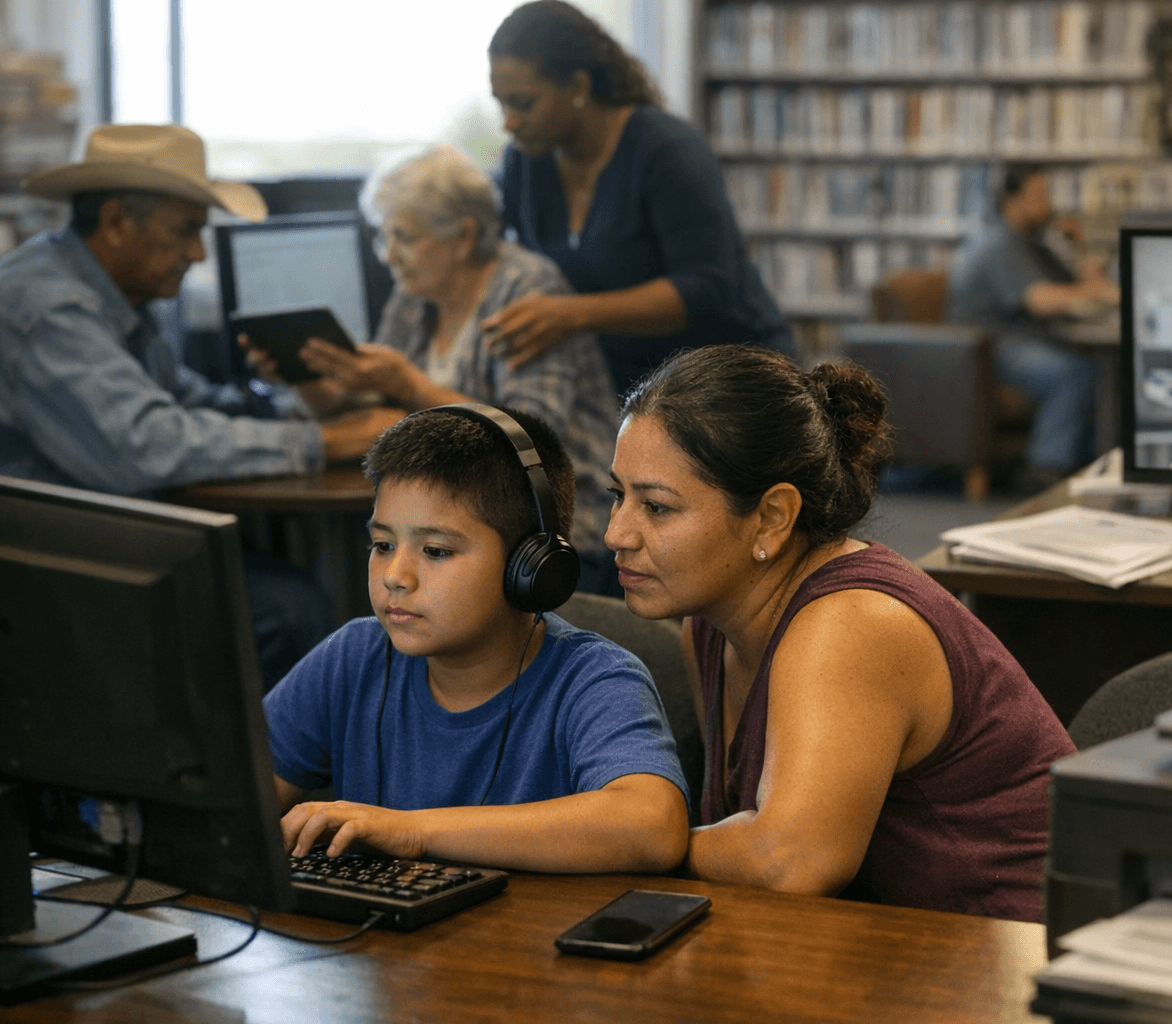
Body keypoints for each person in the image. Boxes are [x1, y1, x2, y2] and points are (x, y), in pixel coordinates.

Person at [606, 345, 1076, 922]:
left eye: (656, 507)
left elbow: (787, 861)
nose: (616, 533)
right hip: (884, 945)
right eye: (618, 496)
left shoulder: (851, 623)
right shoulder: (707, 630)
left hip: (1021, 952)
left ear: (772, 519)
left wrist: (622, 840)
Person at [0, 123, 399, 687]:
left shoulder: (111, 298)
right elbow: (147, 445)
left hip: (101, 543)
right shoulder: (51, 309)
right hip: (49, 574)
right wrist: (325, 440)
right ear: (115, 221)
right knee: (291, 611)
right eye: (186, 230)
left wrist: (295, 406)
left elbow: (186, 401)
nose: (197, 252)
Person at [265, 404, 689, 873]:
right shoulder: (352, 659)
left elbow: (653, 825)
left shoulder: (594, 681)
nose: (395, 576)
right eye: (383, 545)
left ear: (530, 567)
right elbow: (234, 800)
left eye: (435, 551)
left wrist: (413, 831)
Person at [256, 144, 623, 596]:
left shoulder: (527, 288)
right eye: (383, 237)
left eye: (404, 238)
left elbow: (529, 440)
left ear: (464, 237)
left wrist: (408, 384)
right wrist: (306, 376)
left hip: (553, 532)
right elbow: (366, 404)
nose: (388, 255)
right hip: (457, 523)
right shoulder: (415, 294)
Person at [483, 0, 794, 399]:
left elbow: (708, 289)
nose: (508, 122)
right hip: (633, 389)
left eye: (523, 103)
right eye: (501, 102)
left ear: (578, 87)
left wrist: (571, 314)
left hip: (733, 385)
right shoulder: (525, 163)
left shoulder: (666, 150)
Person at [946, 163, 1114, 488]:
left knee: (1098, 366)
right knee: (1072, 372)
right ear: (1013, 201)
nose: (1048, 205)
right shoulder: (997, 244)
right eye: (1039, 196)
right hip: (990, 349)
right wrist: (1095, 292)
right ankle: (1046, 467)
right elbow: (1041, 299)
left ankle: (1091, 462)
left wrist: (1080, 247)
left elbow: (1079, 284)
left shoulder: (1033, 243)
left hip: (1027, 340)